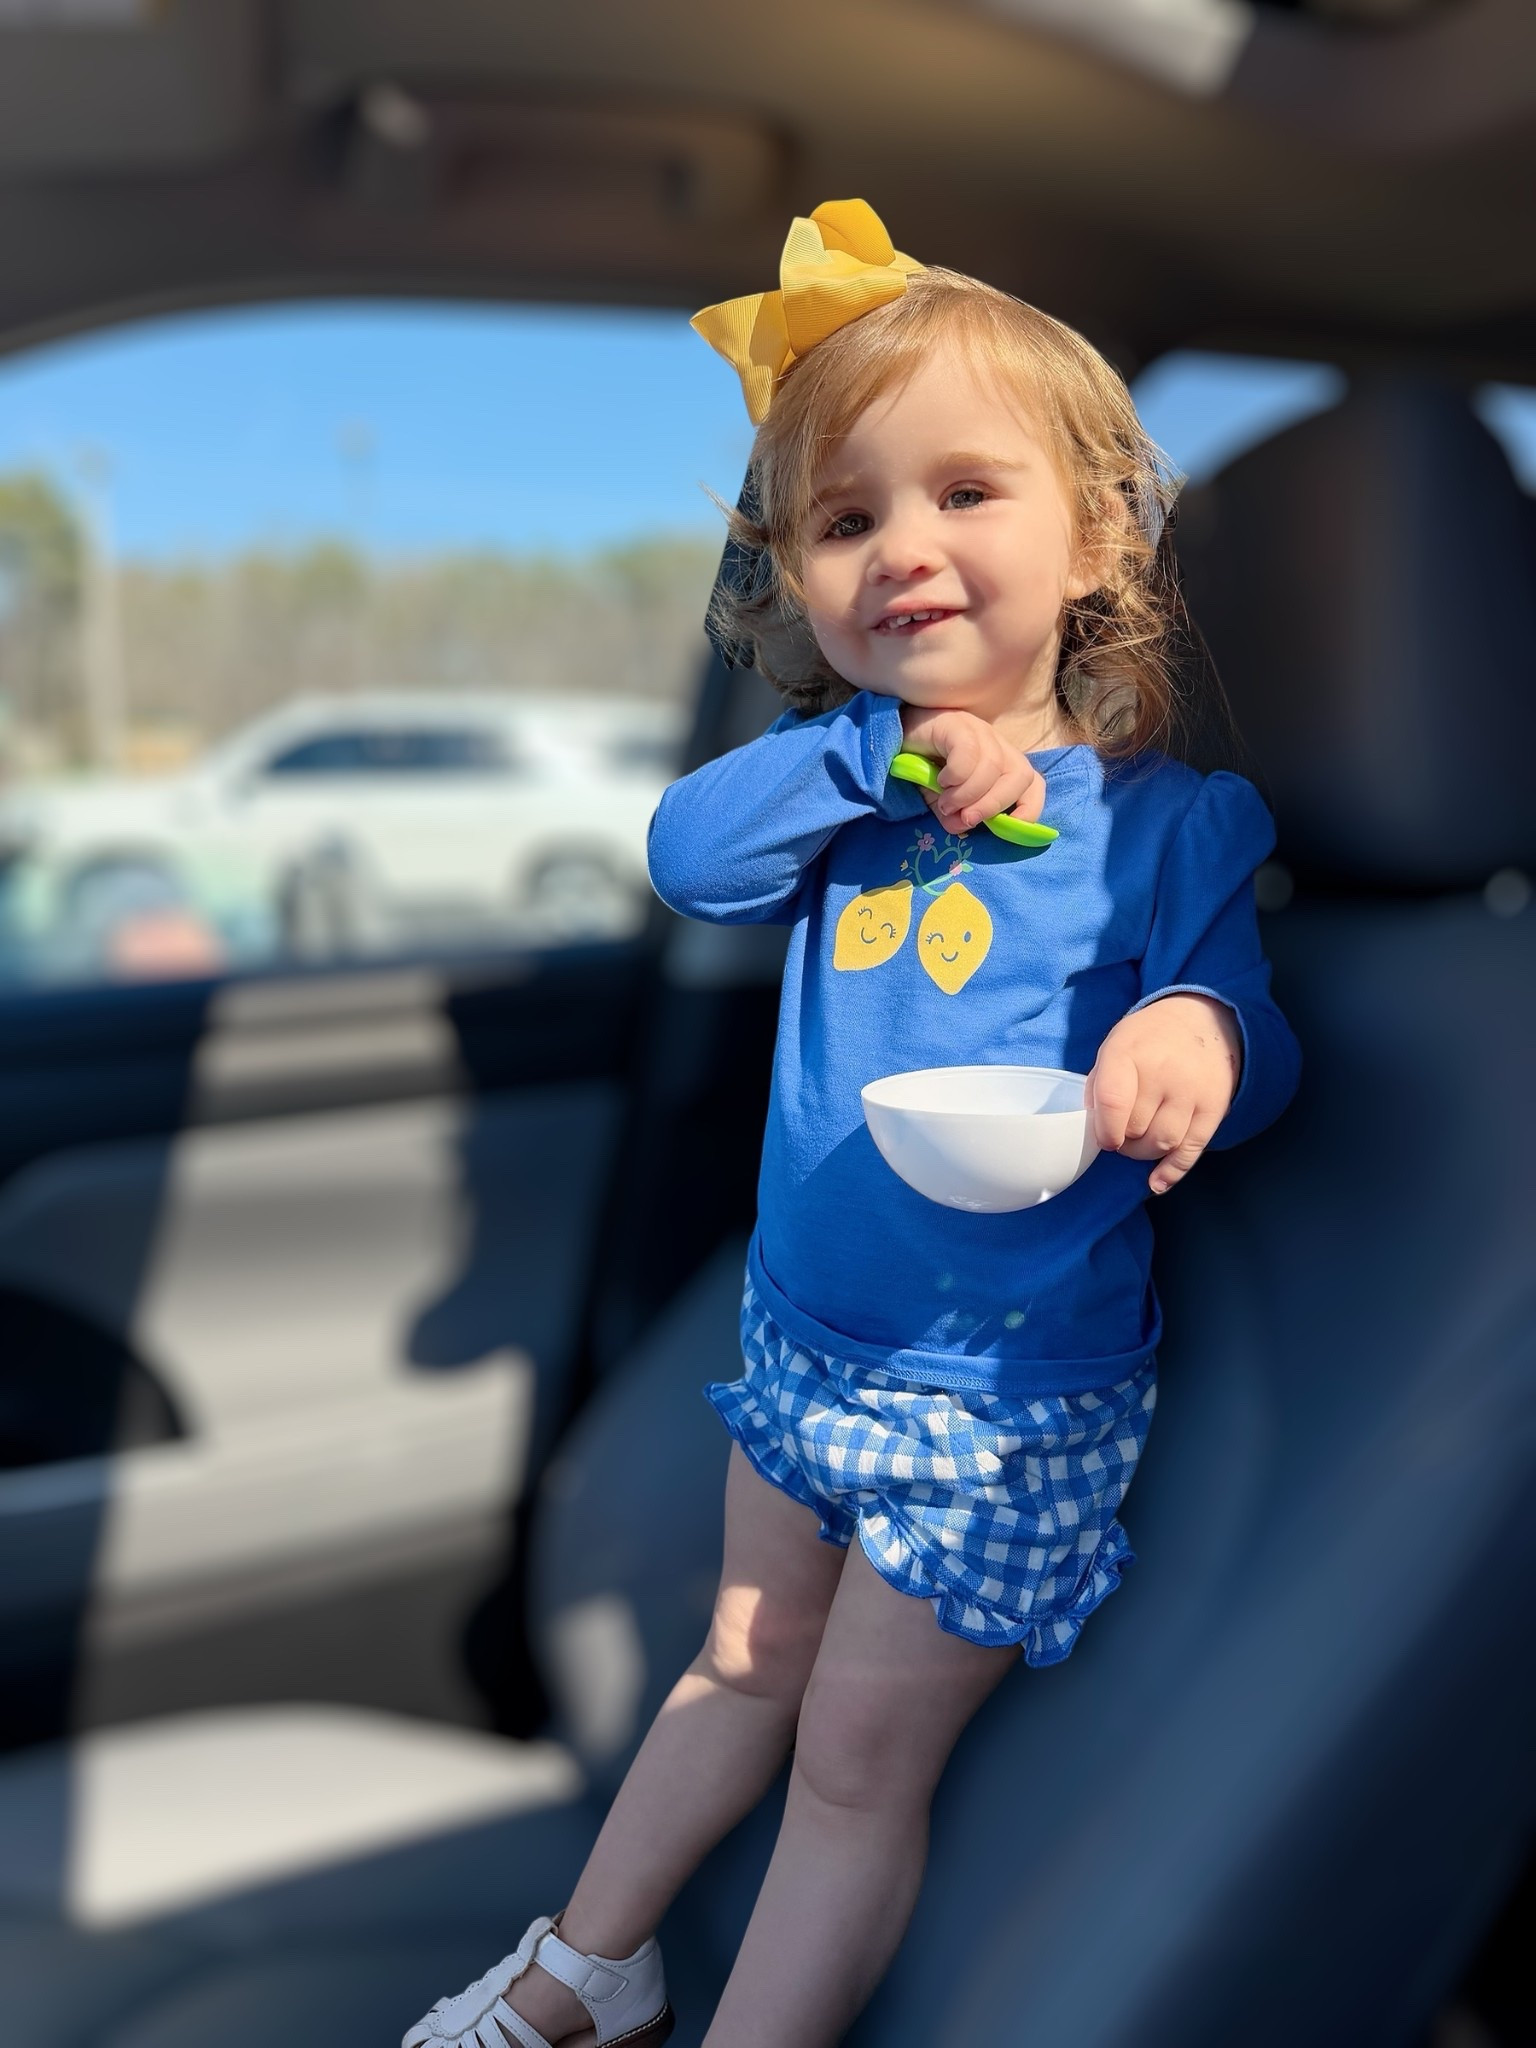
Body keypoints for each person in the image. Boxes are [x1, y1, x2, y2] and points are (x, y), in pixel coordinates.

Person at [405, 199, 1301, 2048]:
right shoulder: (841, 806)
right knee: (737, 1661)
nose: (904, 549)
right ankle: (589, 1964)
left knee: (852, 1761)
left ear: (1099, 536)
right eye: (845, 518)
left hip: (1000, 1391)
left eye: (966, 493)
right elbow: (681, 858)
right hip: (801, 1344)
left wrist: (1197, 1032)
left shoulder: (1170, 822)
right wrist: (866, 752)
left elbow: (1250, 1028)